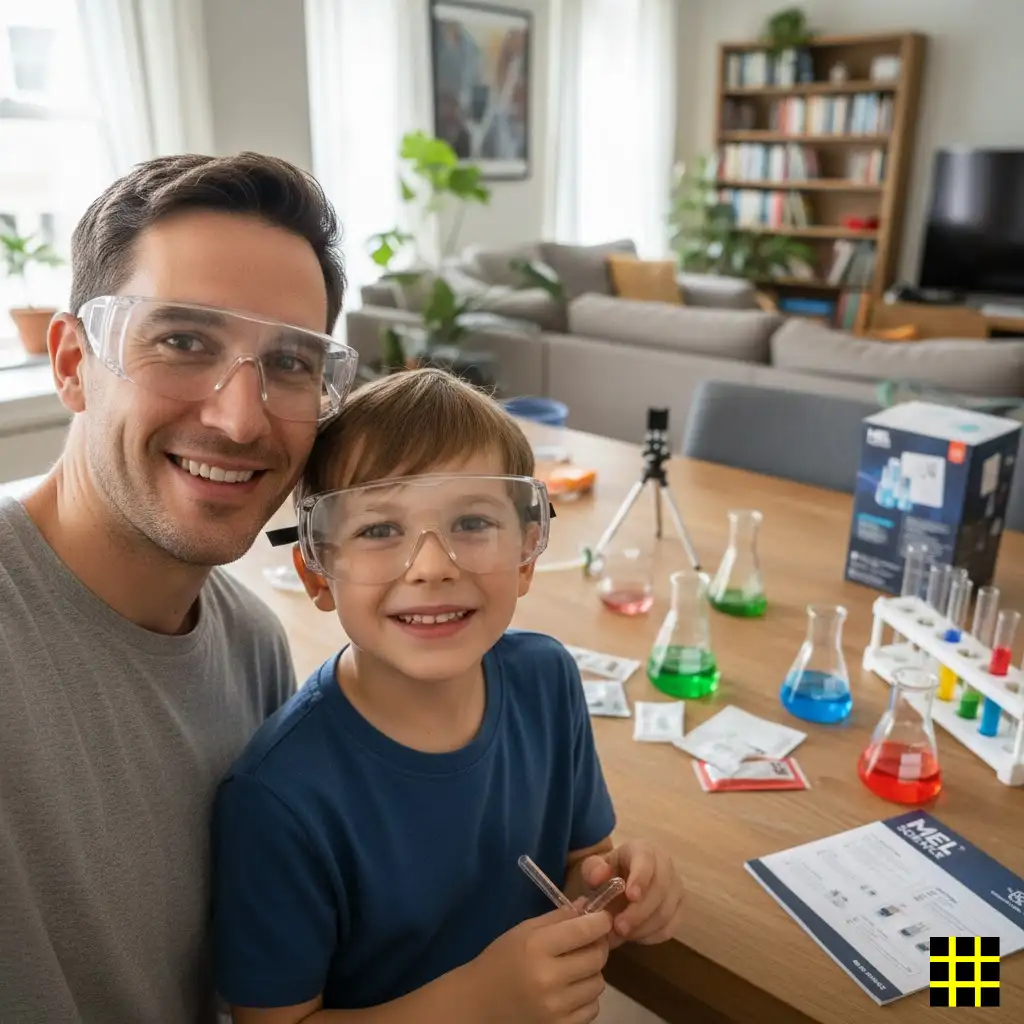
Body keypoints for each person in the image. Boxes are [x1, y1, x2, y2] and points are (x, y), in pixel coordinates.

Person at [0, 152, 357, 1023]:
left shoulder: (252, 646)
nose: (240, 418)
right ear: (74, 362)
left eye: (291, 363)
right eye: (183, 341)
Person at [211, 369, 686, 1023]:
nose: (432, 565)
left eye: (471, 522)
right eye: (380, 530)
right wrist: (479, 1004)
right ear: (318, 572)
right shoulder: (277, 798)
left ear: (525, 557)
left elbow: (583, 864)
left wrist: (619, 889)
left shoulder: (547, 680)